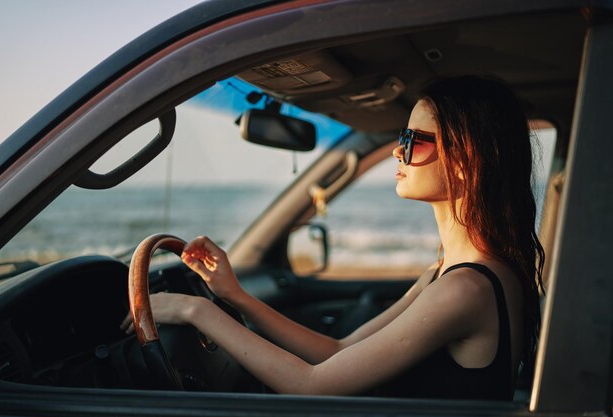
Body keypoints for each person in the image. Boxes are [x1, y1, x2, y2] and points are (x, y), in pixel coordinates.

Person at [121, 75, 544, 400]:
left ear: (466, 162)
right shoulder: (448, 274)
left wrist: (196, 311)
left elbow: (313, 385)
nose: (398, 151)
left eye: (414, 141)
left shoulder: (465, 288)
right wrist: (234, 296)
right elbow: (335, 351)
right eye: (402, 137)